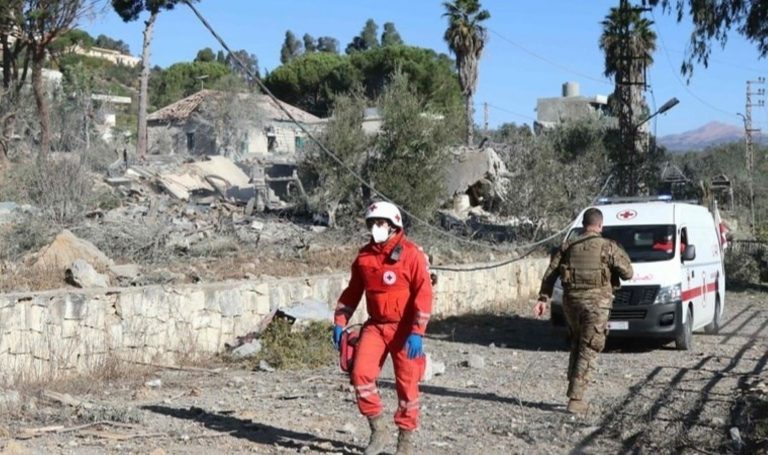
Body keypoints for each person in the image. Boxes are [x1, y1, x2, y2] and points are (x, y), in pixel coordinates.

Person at [332, 201, 433, 455]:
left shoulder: (412, 255)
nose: (375, 228)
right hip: (376, 326)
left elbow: (424, 294)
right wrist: (340, 320)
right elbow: (353, 292)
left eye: (380, 223)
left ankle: (405, 442)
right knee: (360, 374)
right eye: (372, 223)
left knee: (407, 386)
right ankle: (378, 429)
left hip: (405, 329)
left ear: (393, 225)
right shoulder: (365, 258)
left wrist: (417, 332)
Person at [533, 208, 633, 414]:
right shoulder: (608, 246)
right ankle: (576, 399)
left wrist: (543, 298)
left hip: (571, 304)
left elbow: (550, 273)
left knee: (578, 343)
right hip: (596, 305)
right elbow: (628, 273)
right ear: (600, 225)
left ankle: (573, 385)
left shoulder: (568, 246)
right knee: (590, 347)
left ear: (583, 225)